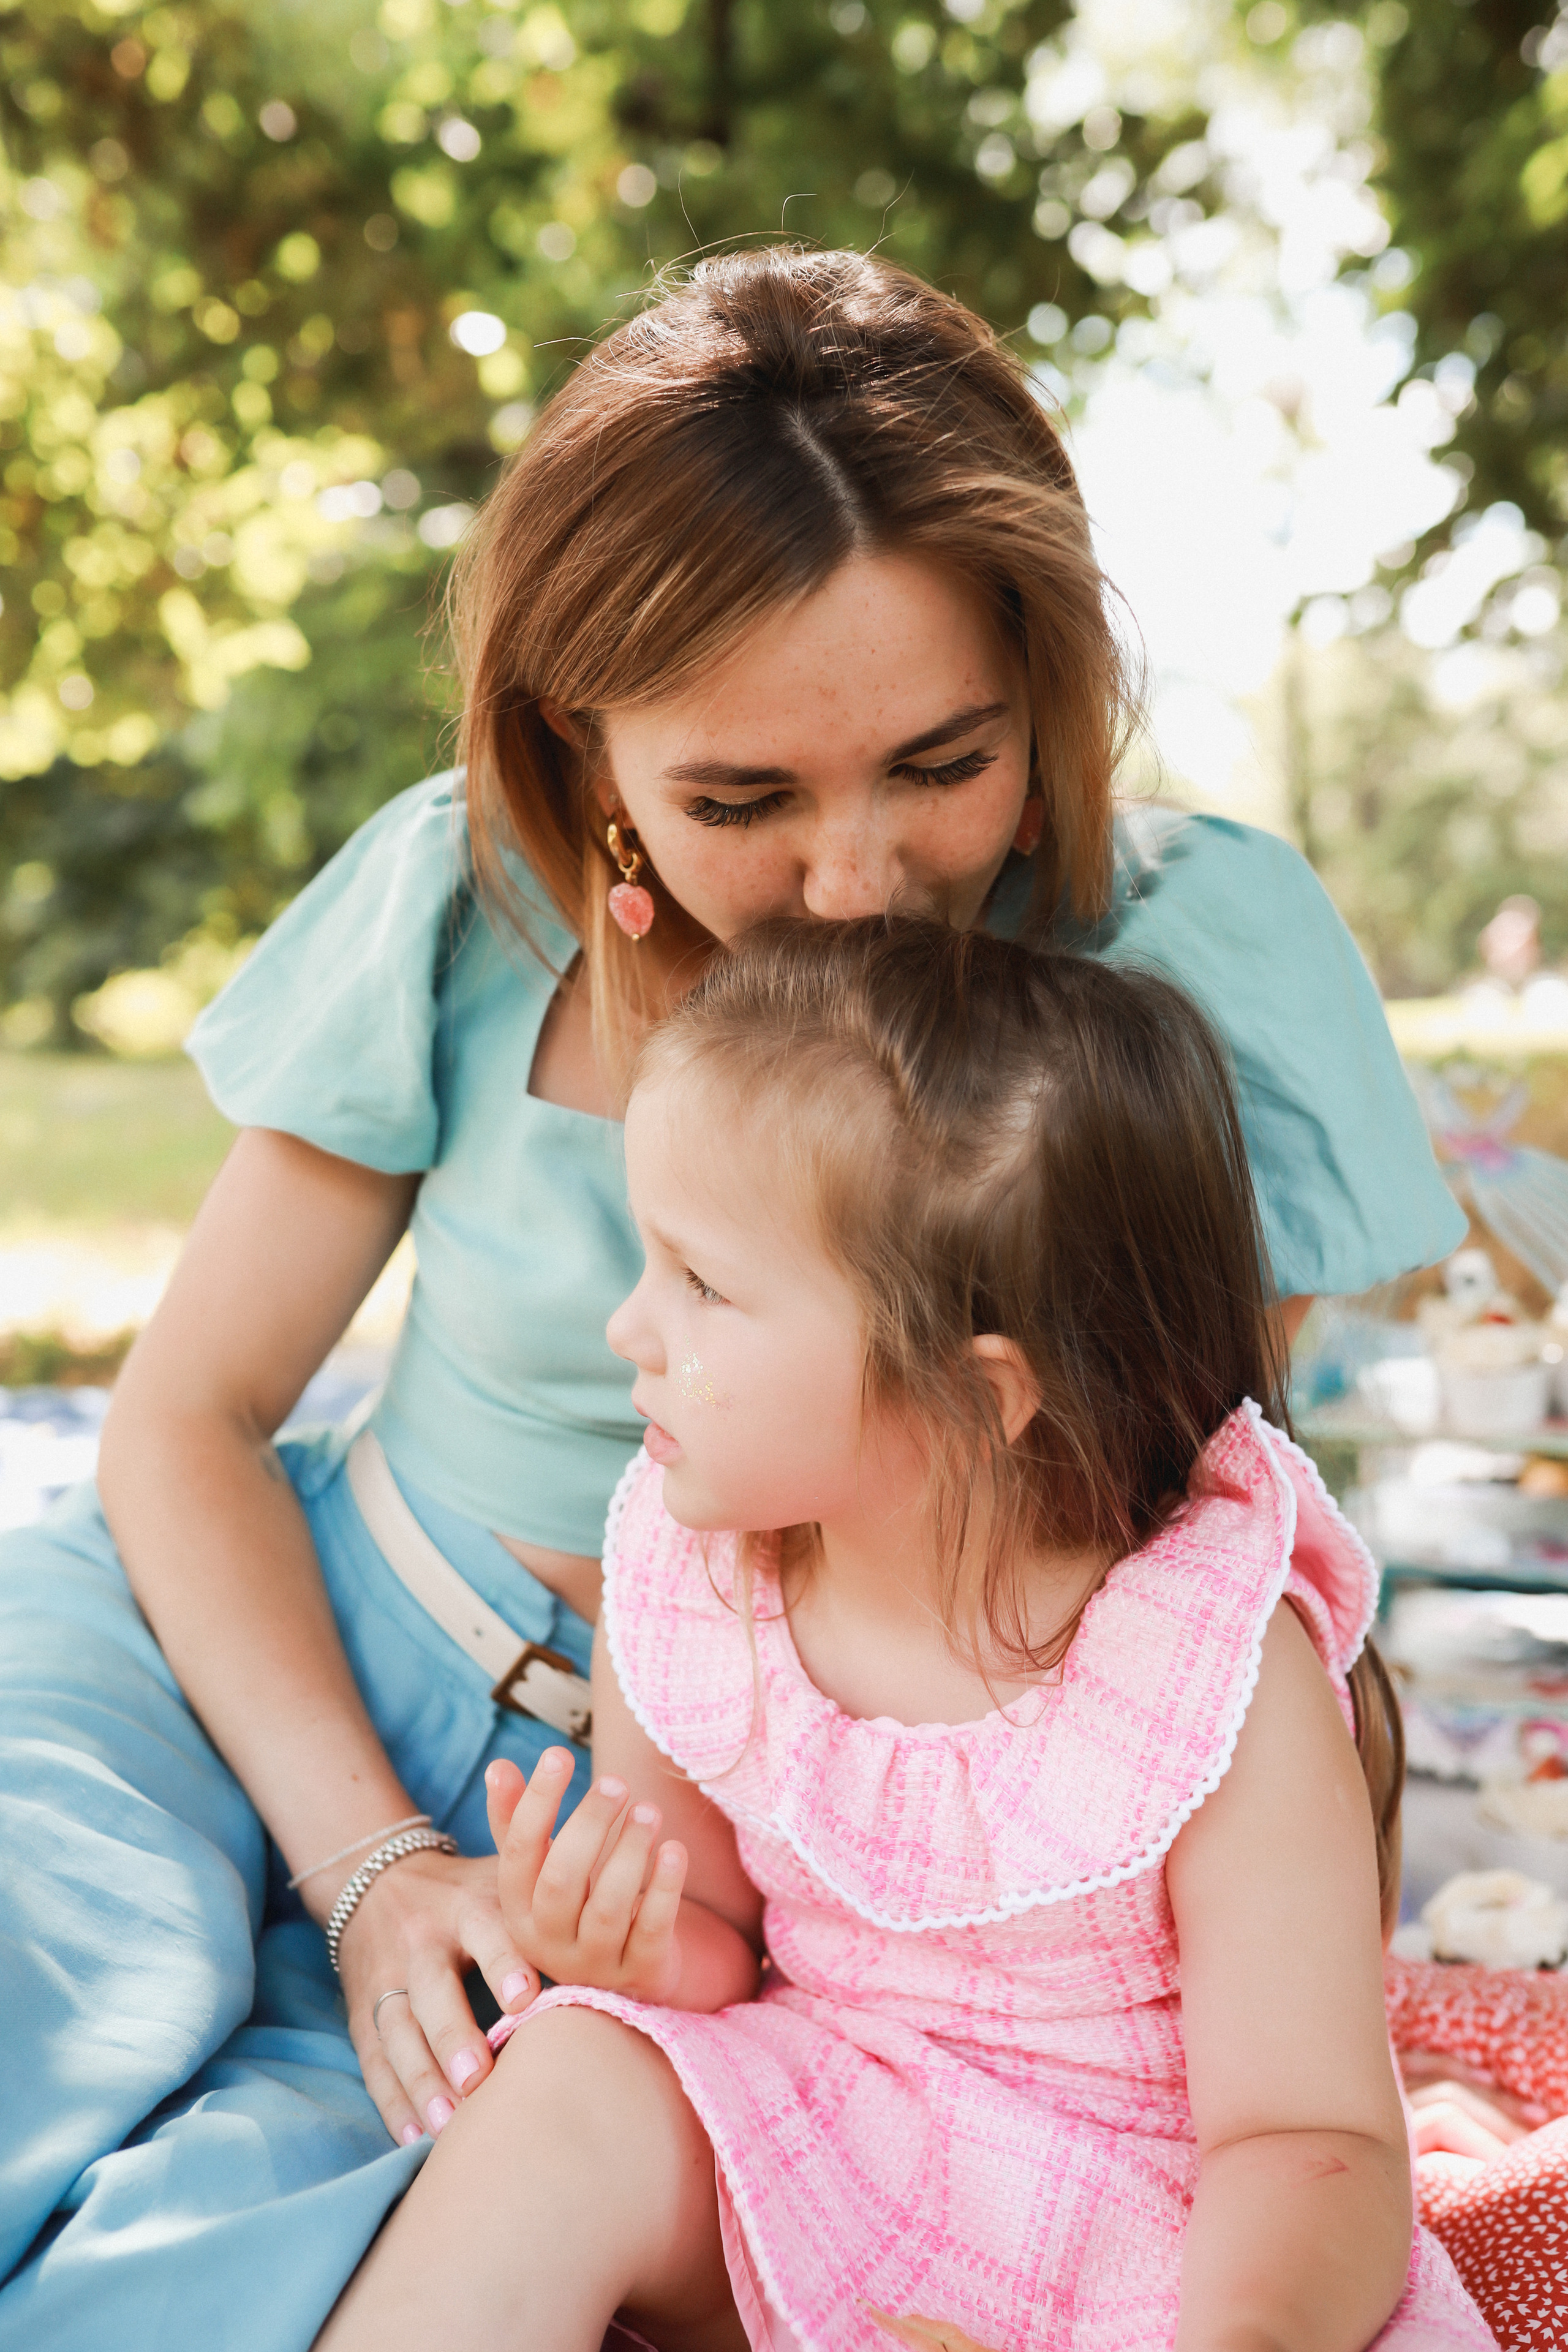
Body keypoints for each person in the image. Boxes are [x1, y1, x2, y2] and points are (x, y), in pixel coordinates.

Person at [0, 249, 1464, 2351]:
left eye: (940, 762)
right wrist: (374, 1867)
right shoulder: (461, 899)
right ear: (588, 752)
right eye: (740, 800)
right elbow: (186, 1418)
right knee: (45, 2013)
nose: (854, 883)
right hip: (261, 1642)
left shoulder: (1184, 979)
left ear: (1038, 689)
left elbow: (1159, 1548)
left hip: (730, 1841)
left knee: (232, 2253)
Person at [318, 916, 1493, 2352]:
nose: (629, 1328)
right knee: (570, 2077)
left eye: (700, 1283)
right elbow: (720, 1950)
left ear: (972, 1397)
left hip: (1149, 2234)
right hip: (822, 2136)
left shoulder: (1211, 1683)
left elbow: (1308, 2138)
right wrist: (623, 1943)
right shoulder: (694, 1574)